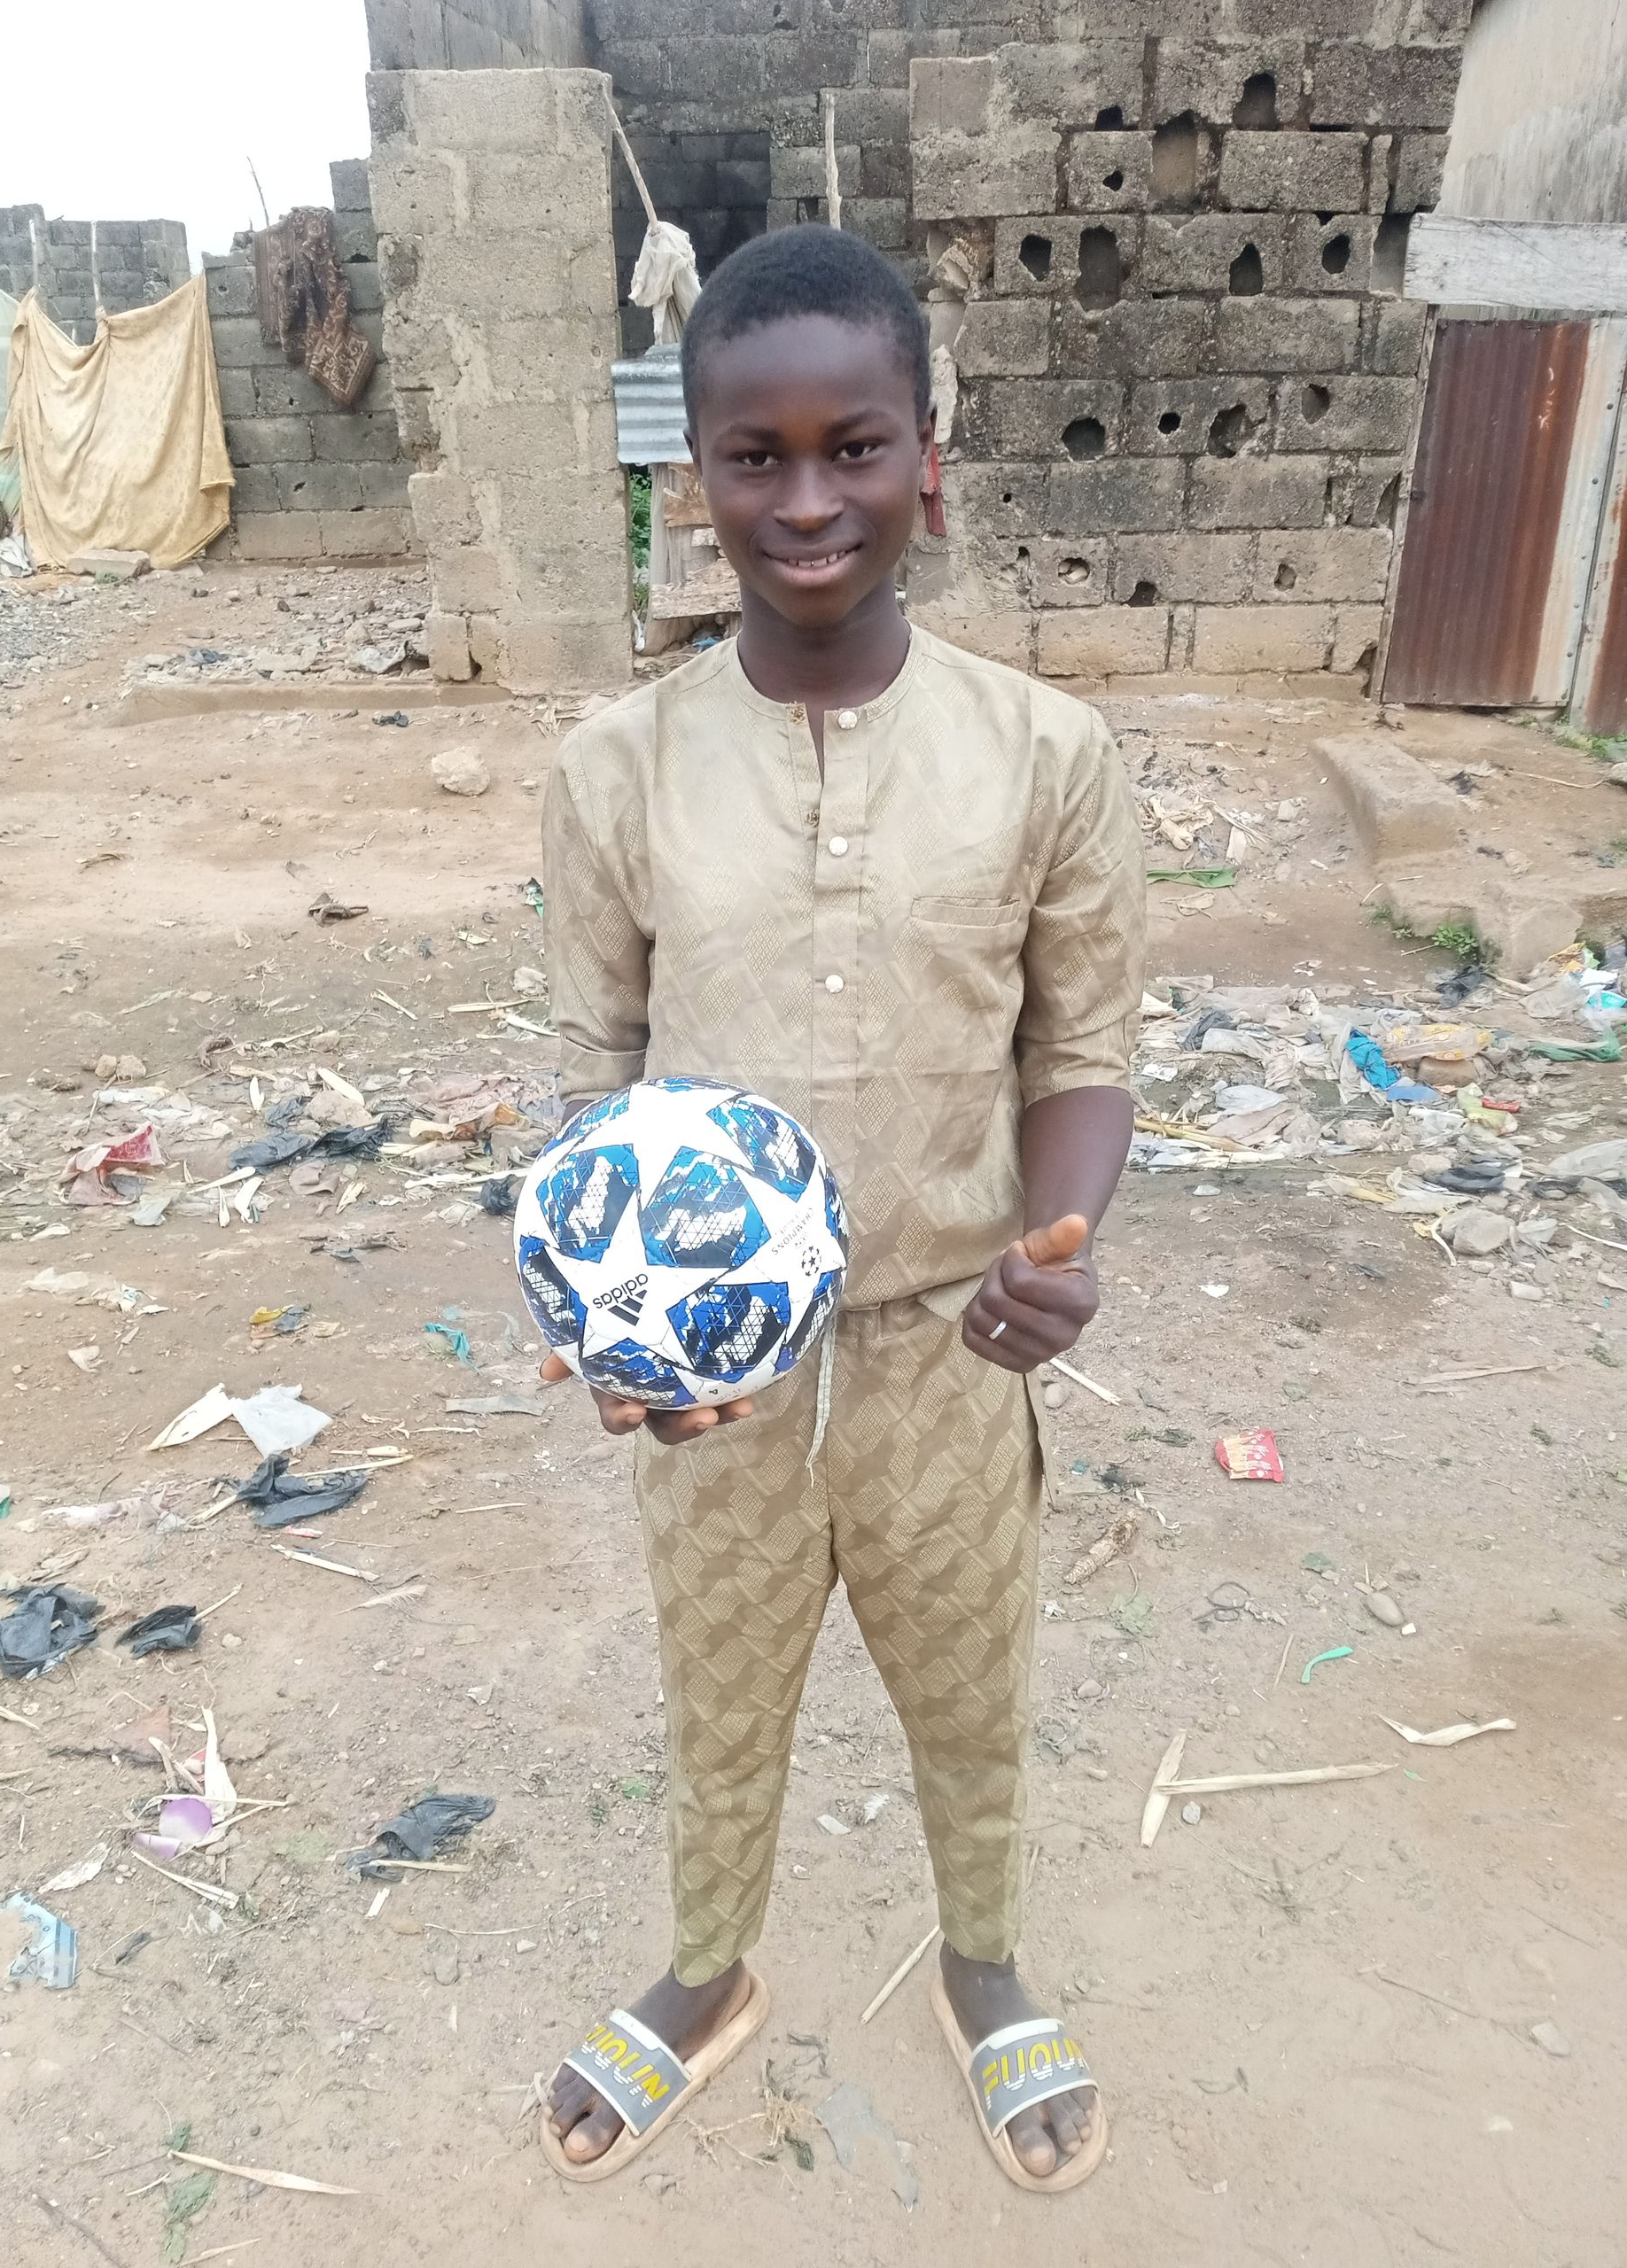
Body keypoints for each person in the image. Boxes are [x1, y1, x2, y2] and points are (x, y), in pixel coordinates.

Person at [539, 224, 1146, 2194]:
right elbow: (594, 1072)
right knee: (718, 1688)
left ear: (927, 457)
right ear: (694, 470)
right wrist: (612, 1321)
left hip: (955, 1348)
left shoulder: (1045, 754)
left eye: (854, 446)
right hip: (717, 1382)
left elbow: (1081, 1050)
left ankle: (983, 1959)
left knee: (972, 1683)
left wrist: (1056, 1242)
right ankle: (706, 1971)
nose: (807, 502)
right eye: (756, 455)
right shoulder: (616, 768)